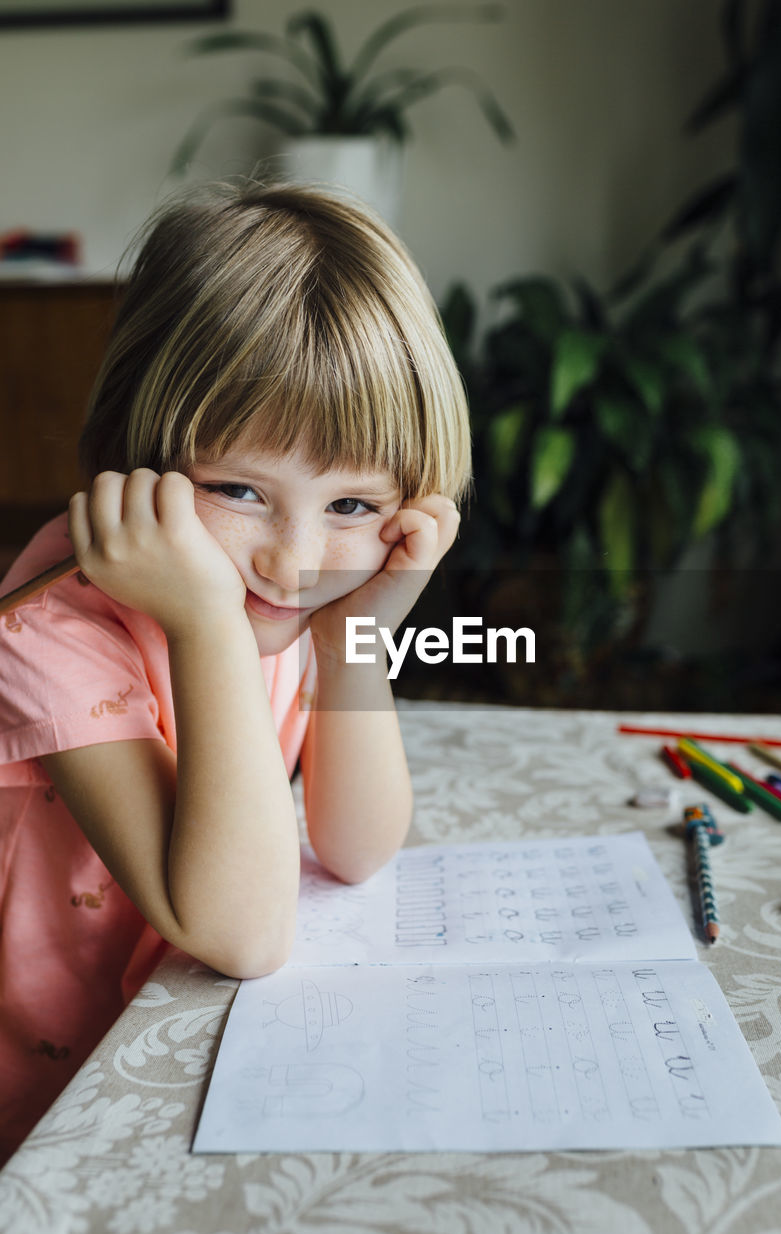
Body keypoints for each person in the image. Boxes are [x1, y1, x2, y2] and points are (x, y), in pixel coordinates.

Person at [0, 181, 470, 1163]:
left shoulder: (277, 596)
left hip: (163, 1053)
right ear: (135, 455)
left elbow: (354, 845)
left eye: (352, 506)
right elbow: (244, 931)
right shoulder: (52, 628)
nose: (292, 560)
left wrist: (358, 634)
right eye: (240, 489)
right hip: (44, 1094)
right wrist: (205, 622)